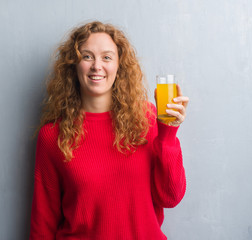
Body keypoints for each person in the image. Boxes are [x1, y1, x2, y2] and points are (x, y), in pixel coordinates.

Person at [29, 21, 189, 240]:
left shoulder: (148, 119)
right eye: (87, 56)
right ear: (74, 66)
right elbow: (43, 223)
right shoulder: (52, 136)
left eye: (106, 57)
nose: (97, 66)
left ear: (118, 65)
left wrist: (168, 133)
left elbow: (170, 197)